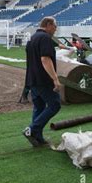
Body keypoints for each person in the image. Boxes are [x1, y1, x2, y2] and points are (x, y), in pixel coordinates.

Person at [22, 16, 62, 147]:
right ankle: (32, 130)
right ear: (49, 24)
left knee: (39, 107)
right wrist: (55, 78)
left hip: (32, 80)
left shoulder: (33, 38)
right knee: (55, 105)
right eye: (55, 26)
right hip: (43, 80)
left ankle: (38, 138)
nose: (56, 29)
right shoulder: (45, 38)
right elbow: (45, 59)